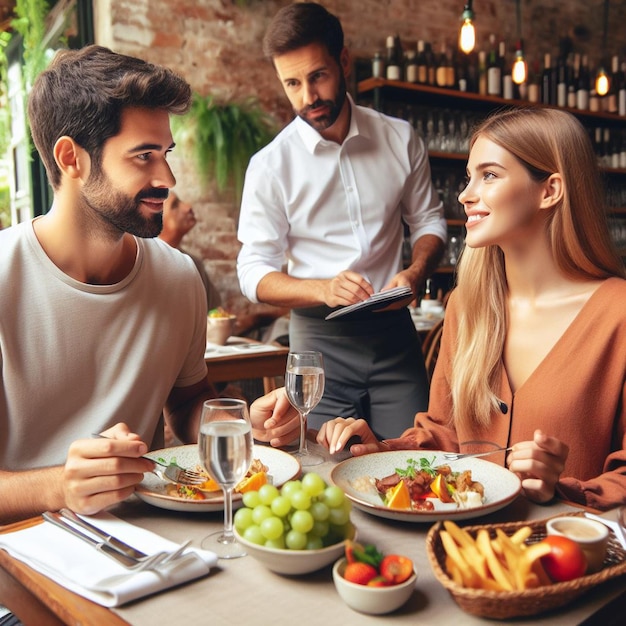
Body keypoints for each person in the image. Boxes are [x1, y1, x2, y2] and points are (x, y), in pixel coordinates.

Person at [0, 45, 296, 525]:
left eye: (166, 154)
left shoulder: (178, 277)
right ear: (71, 158)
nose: (168, 178)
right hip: (22, 568)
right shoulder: (3, 278)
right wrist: (59, 485)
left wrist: (237, 426)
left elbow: (185, 403)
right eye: (143, 156)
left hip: (150, 545)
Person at [307, 107, 626, 511]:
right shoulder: (466, 306)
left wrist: (562, 488)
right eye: (469, 176)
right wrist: (379, 447)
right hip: (460, 554)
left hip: (564, 561)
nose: (464, 195)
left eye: (489, 175)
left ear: (550, 190)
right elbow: (445, 437)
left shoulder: (618, 315)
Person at [237, 2, 447, 439]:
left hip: (395, 334)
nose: (307, 97)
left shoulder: (399, 137)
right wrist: (322, 288)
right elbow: (252, 271)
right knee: (319, 468)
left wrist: (416, 269)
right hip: (317, 344)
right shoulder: (270, 165)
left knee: (415, 461)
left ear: (343, 62)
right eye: (292, 83)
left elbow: (429, 222)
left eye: (317, 76)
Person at [159, 190, 222, 311]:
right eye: (175, 206)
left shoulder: (194, 264)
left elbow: (215, 316)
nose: (188, 207)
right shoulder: (148, 268)